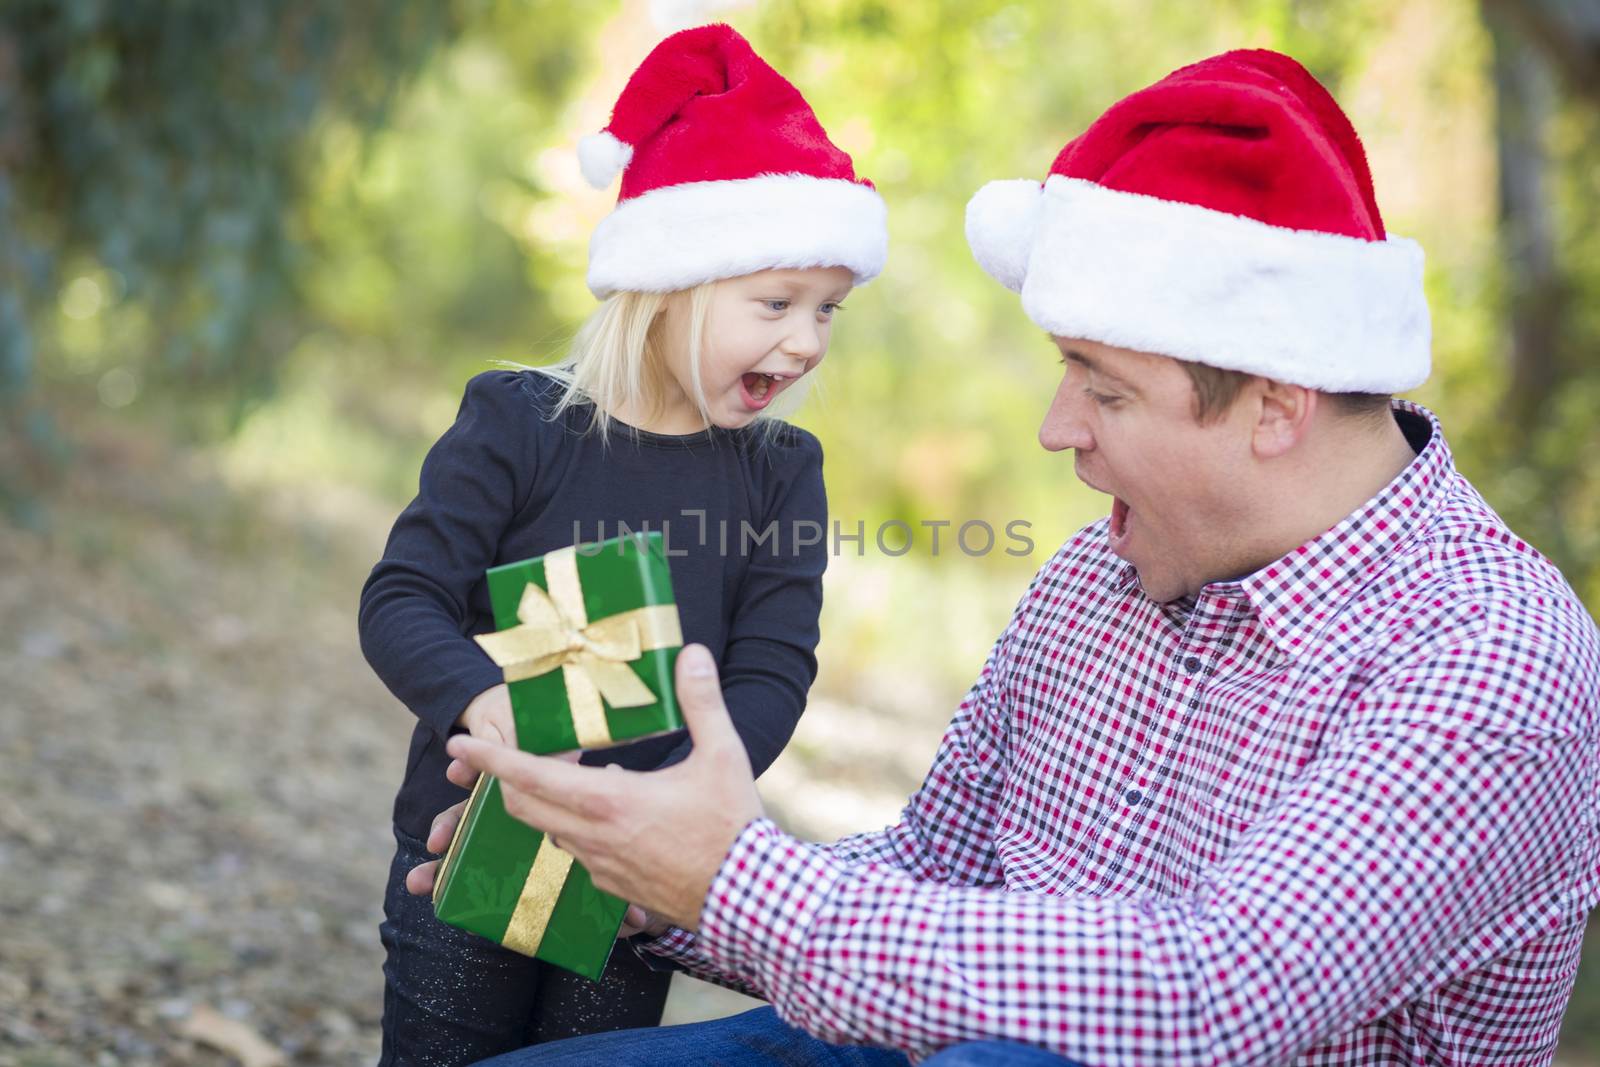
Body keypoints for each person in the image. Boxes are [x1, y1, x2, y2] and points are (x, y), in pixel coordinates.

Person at [407, 49, 1600, 1066]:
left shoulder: (1489, 658)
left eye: (1104, 386)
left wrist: (735, 880)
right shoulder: (1103, 575)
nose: (1055, 426)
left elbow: (1217, 986)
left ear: (1275, 406)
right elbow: (937, 866)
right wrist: (634, 866)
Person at [357, 23, 887, 1066]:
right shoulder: (517, 422)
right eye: (774, 302)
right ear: (669, 282)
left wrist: (682, 799)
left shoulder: (781, 471)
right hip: (479, 839)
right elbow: (403, 596)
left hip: (637, 875)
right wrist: (486, 704)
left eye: (827, 309)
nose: (806, 339)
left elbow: (774, 664)